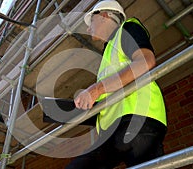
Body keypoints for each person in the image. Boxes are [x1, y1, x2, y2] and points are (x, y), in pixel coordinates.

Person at [66, 0, 167, 168]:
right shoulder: (109, 51)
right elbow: (113, 92)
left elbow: (145, 61)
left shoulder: (127, 30)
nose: (88, 28)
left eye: (91, 21)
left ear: (105, 15)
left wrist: (95, 90)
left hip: (138, 119)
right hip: (115, 129)